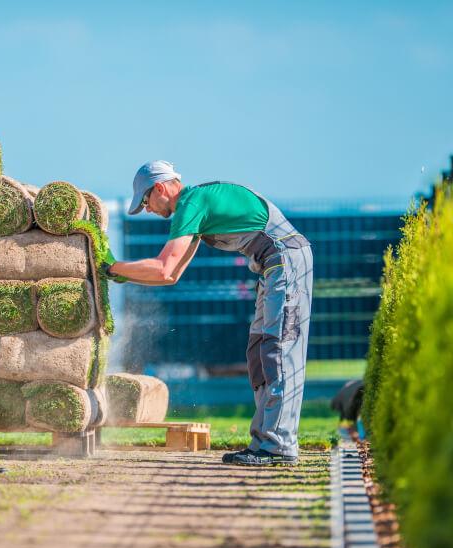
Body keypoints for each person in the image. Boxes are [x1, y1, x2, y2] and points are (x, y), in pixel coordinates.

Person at [104, 161, 313, 466]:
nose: (147, 209)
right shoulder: (196, 205)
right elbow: (171, 276)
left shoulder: (191, 203)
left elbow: (163, 268)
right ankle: (263, 443)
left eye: (146, 201)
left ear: (160, 188)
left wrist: (112, 269)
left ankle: (278, 446)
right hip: (273, 266)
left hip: (285, 261)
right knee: (259, 351)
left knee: (278, 351)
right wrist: (118, 273)